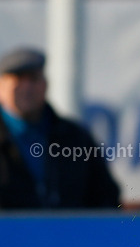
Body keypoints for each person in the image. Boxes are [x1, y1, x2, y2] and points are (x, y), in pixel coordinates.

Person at [0, 46, 120, 209]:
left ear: (45, 84)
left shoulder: (75, 137)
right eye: (18, 79)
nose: (27, 87)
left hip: (69, 233)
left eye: (33, 79)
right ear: (2, 85)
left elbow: (106, 196)